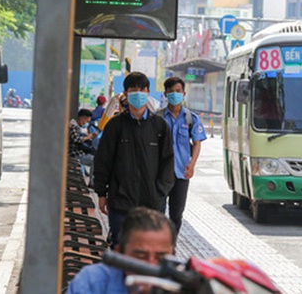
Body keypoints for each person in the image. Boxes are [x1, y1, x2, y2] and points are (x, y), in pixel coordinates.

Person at [93, 71, 174, 247]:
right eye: (133, 89)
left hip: (152, 203)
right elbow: (103, 160)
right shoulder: (115, 126)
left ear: (148, 92)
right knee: (121, 247)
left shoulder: (160, 126)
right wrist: (101, 192)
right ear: (126, 94)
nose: (137, 93)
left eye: (141, 89)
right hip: (121, 202)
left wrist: (160, 191)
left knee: (150, 249)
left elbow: (168, 162)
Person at [66, 207, 176, 294]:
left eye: (161, 258)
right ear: (119, 254)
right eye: (140, 256)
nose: (151, 265)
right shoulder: (91, 281)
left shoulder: (182, 287)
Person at [157, 77, 207, 233]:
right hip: (160, 173)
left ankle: (171, 244)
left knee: (176, 215)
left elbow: (197, 143)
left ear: (184, 93)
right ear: (165, 94)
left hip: (181, 173)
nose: (174, 95)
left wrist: (192, 164)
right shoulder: (157, 118)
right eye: (170, 92)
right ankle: (159, 245)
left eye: (178, 91)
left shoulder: (191, 118)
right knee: (157, 213)